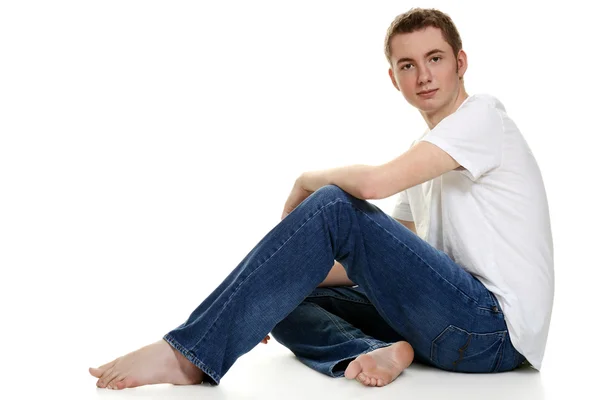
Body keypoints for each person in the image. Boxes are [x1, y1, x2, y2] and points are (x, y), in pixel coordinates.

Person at [89, 7, 554, 390]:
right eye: (407, 65)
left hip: (491, 334)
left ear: (461, 63)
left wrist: (305, 180)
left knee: (334, 203)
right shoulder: (426, 155)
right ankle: (371, 353)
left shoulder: (483, 118)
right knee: (286, 298)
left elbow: (370, 187)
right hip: (447, 322)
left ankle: (189, 355)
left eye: (435, 58)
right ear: (393, 78)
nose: (423, 75)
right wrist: (276, 278)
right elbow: (390, 257)